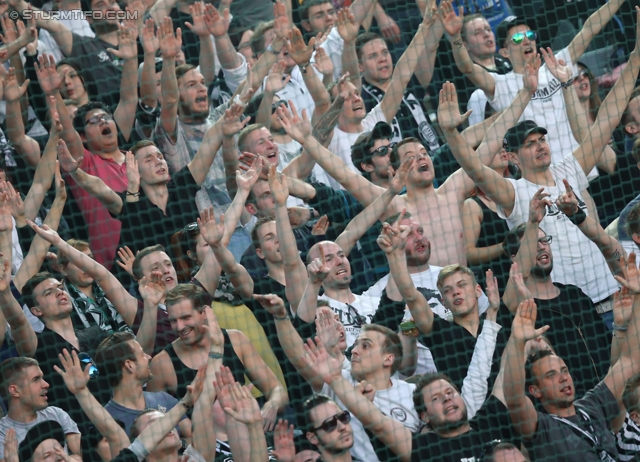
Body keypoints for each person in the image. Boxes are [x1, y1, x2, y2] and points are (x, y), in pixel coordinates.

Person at [276, 42, 540, 269]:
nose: (422, 158)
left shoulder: (453, 190)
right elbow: (343, 174)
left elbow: (491, 142)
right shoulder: (393, 205)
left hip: (469, 290)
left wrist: (526, 93)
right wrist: (307, 140)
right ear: (395, 169)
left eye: (424, 153)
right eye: (411, 156)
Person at [438, 38, 640, 312]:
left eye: (541, 140)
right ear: (511, 156)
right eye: (529, 144)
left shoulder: (569, 168)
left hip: (611, 295)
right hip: (562, 308)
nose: (540, 146)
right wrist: (451, 133)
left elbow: (608, 118)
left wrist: (637, 57)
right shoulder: (512, 192)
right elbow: (474, 168)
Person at [441, 0, 625, 166]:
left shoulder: (555, 66)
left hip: (580, 167)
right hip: (540, 178)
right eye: (517, 39)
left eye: (529, 34)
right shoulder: (501, 84)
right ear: (504, 52)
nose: (526, 40)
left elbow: (589, 29)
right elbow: (467, 68)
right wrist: (456, 38)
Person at [502, 284, 640, 461]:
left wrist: (638, 296)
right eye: (551, 375)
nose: (562, 378)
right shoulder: (542, 427)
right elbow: (514, 400)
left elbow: (630, 361)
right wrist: (517, 341)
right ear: (535, 390)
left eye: (564, 370)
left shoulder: (592, 405)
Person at [146, 283, 288, 432]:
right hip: (202, 447)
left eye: (186, 318)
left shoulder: (236, 340)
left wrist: (272, 405)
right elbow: (154, 426)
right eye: (173, 321)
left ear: (205, 312)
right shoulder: (162, 364)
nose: (180, 327)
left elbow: (277, 390)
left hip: (246, 435)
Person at [95, 332, 192, 438]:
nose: (149, 357)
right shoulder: (107, 423)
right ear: (130, 365)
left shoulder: (163, 399)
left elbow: (194, 438)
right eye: (142, 354)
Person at [0, 357, 81, 460]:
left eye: (42, 378)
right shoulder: (2, 434)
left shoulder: (56, 413)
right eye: (36, 379)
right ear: (15, 391)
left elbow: (82, 454)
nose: (46, 384)